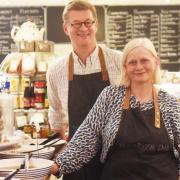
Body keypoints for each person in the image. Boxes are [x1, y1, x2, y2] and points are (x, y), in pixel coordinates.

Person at [50, 37, 180, 180]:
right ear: (125, 67)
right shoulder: (110, 96)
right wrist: (57, 165)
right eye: (132, 62)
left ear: (156, 63)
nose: (138, 67)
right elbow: (87, 136)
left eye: (144, 60)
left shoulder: (170, 103)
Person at [46, 0, 122, 179]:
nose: (83, 28)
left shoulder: (119, 61)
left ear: (96, 25)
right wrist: (61, 151)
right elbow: (56, 115)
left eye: (88, 22)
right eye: (76, 23)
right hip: (76, 161)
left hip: (116, 158)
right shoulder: (56, 70)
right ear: (66, 28)